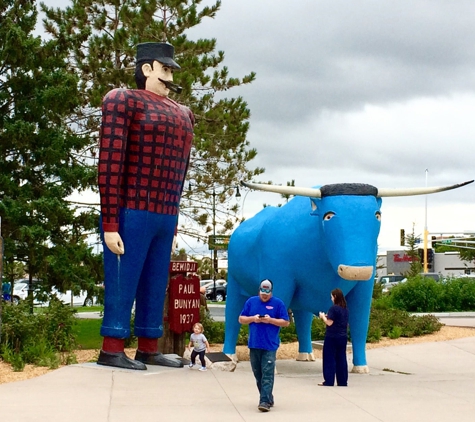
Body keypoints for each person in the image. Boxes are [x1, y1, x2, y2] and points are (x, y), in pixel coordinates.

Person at [97, 42, 194, 370]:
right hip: (131, 210)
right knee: (124, 279)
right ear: (146, 68)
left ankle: (149, 345)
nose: (168, 75)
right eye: (163, 68)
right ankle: (112, 345)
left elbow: (180, 172)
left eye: (171, 70)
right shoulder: (123, 100)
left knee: (155, 282)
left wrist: (175, 219)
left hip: (165, 212)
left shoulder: (184, 115)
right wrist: (110, 222)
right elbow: (111, 163)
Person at [238, 279, 290, 412]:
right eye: (262, 292)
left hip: (270, 345)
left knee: (267, 373)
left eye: (267, 293)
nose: (264, 295)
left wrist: (270, 320)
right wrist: (253, 318)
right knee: (258, 374)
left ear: (271, 292)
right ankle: (268, 396)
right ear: (259, 291)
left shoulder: (278, 303)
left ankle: (264, 401)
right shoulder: (251, 302)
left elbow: (285, 322)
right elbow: (241, 319)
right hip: (254, 344)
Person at [318, 288, 349, 386]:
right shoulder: (345, 309)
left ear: (335, 297)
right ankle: (342, 381)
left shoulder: (333, 308)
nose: (331, 299)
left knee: (329, 358)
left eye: (331, 297)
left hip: (332, 336)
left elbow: (329, 322)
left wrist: (323, 316)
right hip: (343, 336)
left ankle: (329, 380)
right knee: (341, 358)